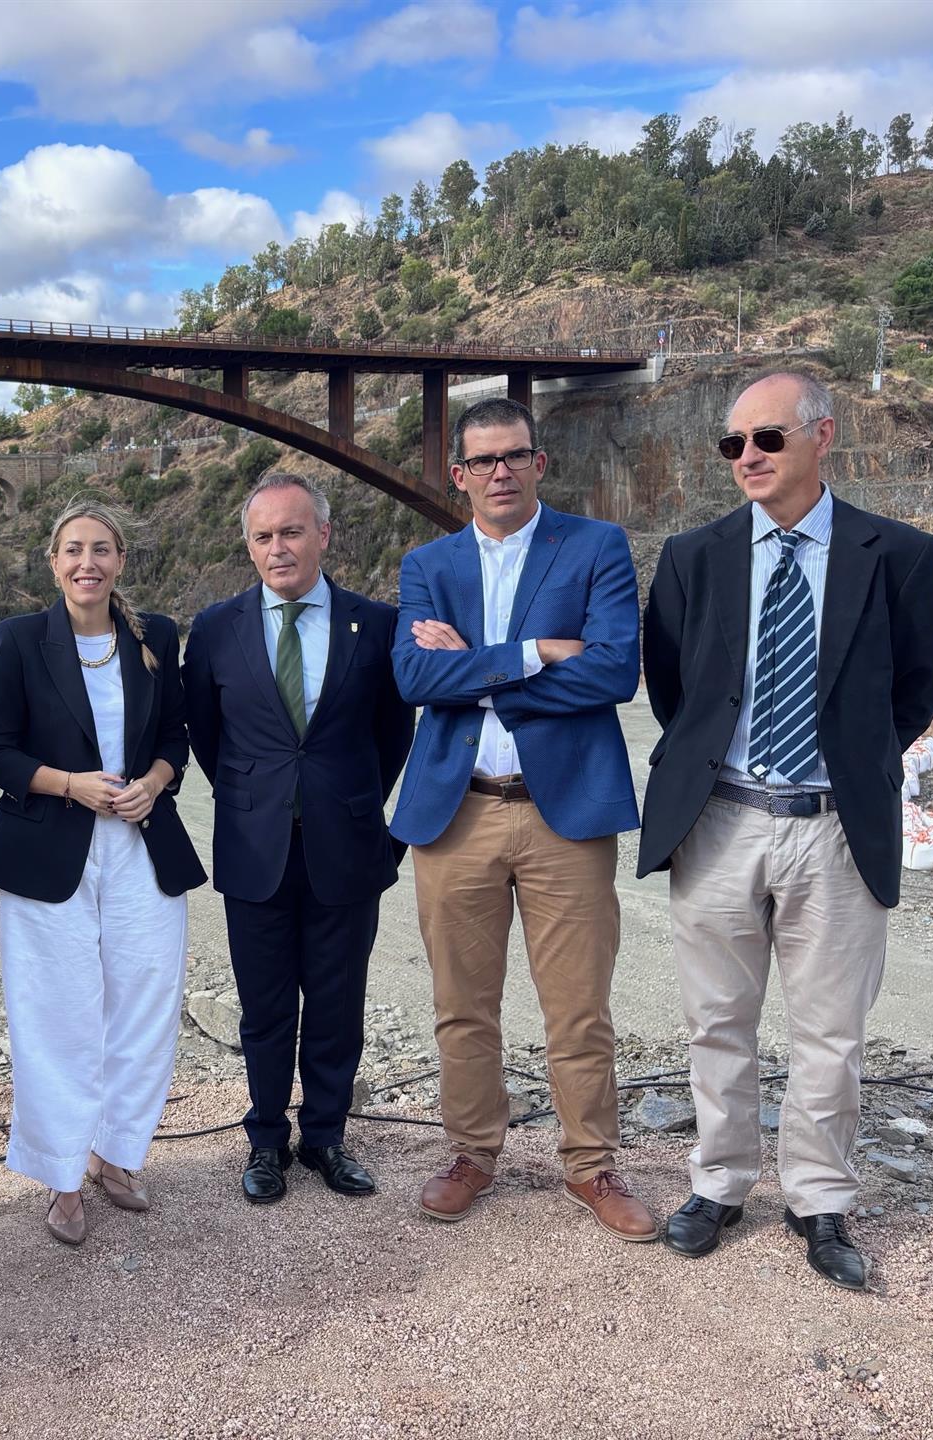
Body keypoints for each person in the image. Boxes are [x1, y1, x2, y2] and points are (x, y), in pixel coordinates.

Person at [640, 371, 933, 1288]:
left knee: (830, 1035)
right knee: (716, 1024)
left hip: (835, 827)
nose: (747, 459)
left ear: (823, 436)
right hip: (722, 817)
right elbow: (674, 691)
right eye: (732, 445)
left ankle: (819, 1203)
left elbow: (915, 691)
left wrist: (849, 764)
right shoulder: (692, 557)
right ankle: (720, 1183)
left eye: (765, 440)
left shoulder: (898, 553)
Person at [389, 397, 656, 1242]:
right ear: (458, 475)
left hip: (563, 815)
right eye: (482, 461)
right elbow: (413, 683)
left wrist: (469, 665)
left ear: (539, 464)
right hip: (457, 812)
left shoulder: (596, 547)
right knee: (462, 1004)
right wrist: (537, 651)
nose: (499, 473)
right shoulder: (428, 565)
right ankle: (472, 1153)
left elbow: (613, 674)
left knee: (577, 1005)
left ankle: (591, 1165)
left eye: (515, 457)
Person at [0, 498, 204, 1244]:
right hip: (50, 850)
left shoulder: (156, 638)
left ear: (121, 560)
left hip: (142, 846)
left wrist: (156, 780)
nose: (87, 563)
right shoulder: (19, 639)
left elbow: (178, 734)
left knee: (144, 1005)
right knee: (56, 1015)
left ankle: (118, 1155)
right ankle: (63, 1176)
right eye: (73, 549)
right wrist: (70, 783)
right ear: (53, 561)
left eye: (101, 549)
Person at [183, 471, 414, 1205]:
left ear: (323, 534)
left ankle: (326, 1138)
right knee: (265, 1004)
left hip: (346, 843)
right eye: (263, 536)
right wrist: (260, 798)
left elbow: (392, 733)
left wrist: (343, 802)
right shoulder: (217, 628)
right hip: (255, 848)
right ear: (248, 546)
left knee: (339, 1001)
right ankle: (263, 1142)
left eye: (291, 531)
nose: (277, 547)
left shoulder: (375, 624)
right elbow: (205, 735)